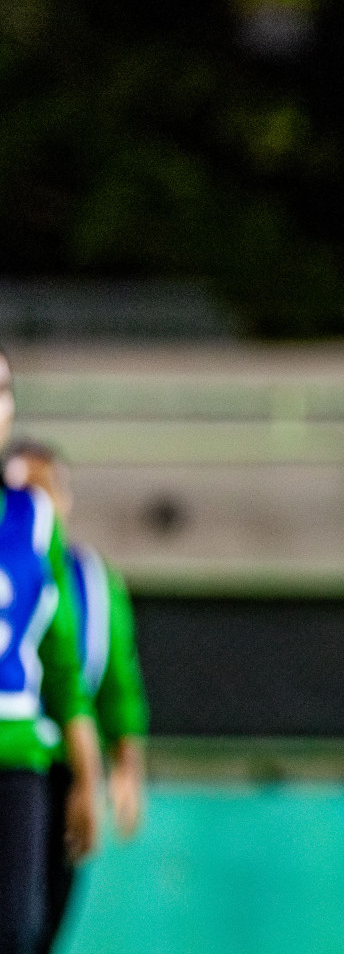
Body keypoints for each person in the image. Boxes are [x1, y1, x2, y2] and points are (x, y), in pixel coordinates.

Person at [4, 440, 149, 952]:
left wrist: (121, 763)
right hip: (21, 758)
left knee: (37, 921)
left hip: (57, 764)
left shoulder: (91, 579)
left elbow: (112, 680)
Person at [0, 354, 103, 954]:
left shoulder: (33, 520)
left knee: (17, 933)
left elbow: (61, 665)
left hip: (16, 755)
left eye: (4, 391)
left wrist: (88, 776)